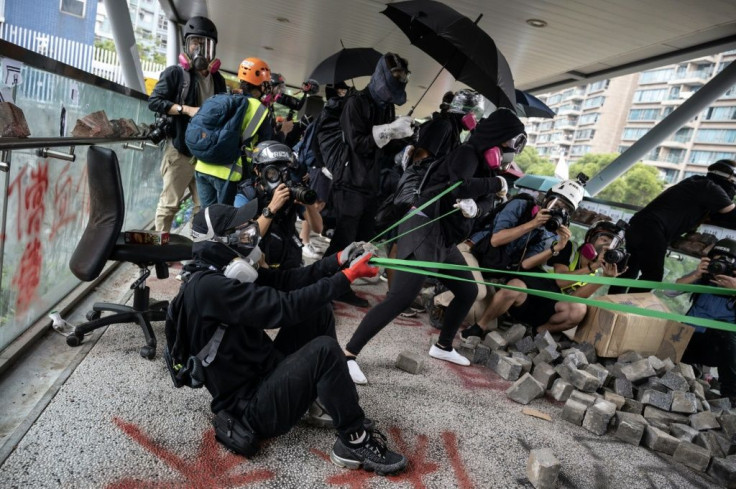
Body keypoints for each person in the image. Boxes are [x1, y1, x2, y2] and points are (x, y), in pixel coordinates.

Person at [165, 202, 407, 474]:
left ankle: (323, 399)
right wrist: (346, 277)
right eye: (237, 229)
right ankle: (354, 441)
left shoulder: (222, 271)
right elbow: (285, 307)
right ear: (217, 240)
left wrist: (337, 260)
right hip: (251, 409)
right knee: (325, 351)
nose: (248, 231)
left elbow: (289, 280)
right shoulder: (209, 288)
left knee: (317, 312)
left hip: (265, 374)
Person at [343, 110, 522, 385]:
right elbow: (458, 187)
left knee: (468, 290)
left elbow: (486, 201)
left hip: (443, 236)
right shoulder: (468, 153)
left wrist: (480, 204)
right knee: (400, 298)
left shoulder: (489, 168)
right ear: (499, 137)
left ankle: (443, 346)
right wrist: (495, 185)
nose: (512, 149)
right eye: (511, 141)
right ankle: (347, 355)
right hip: (424, 226)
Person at [322, 53, 415, 308]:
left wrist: (404, 138)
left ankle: (341, 287)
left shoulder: (386, 106)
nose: (398, 81)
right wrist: (390, 130)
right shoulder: (356, 103)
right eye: (395, 76)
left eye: (401, 77)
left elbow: (383, 148)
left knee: (361, 242)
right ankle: (323, 287)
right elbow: (358, 143)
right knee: (343, 241)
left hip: (370, 185)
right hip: (349, 182)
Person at [461, 176, 587, 337]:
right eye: (556, 203)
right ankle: (440, 298)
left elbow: (526, 264)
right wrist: (532, 224)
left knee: (487, 318)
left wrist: (557, 248)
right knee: (477, 293)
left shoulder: (549, 233)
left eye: (565, 210)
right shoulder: (521, 206)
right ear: (547, 199)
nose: (557, 210)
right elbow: (496, 239)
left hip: (493, 267)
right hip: (473, 252)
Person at [462, 219, 627, 338]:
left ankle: (537, 333)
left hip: (549, 307)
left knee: (579, 310)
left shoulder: (594, 272)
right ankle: (480, 326)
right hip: (534, 288)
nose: (605, 247)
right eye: (604, 240)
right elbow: (559, 280)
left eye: (611, 245)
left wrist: (604, 278)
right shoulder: (570, 248)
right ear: (591, 237)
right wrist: (592, 267)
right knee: (514, 287)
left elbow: (574, 299)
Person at [148, 16, 226, 232]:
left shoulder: (218, 80)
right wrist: (185, 109)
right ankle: (158, 252)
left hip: (206, 154)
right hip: (180, 151)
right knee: (169, 204)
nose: (200, 50)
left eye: (205, 44)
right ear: (187, 45)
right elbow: (154, 102)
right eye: (195, 43)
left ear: (213, 49)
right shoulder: (176, 73)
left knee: (204, 208)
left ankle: (194, 253)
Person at [611, 159, 736, 293]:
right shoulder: (710, 188)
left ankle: (610, 307)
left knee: (628, 271)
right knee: (652, 277)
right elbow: (732, 215)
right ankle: (627, 308)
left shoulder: (697, 182)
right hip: (652, 229)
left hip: (638, 224)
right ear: (729, 178)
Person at [194, 57, 274, 208]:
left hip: (202, 165)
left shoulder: (225, 98)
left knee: (207, 217)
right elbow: (265, 145)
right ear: (260, 84)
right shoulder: (260, 109)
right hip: (227, 172)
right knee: (224, 222)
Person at [236, 140, 319, 269]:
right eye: (272, 172)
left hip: (289, 260)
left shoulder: (289, 192)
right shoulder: (246, 196)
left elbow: (318, 228)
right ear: (257, 170)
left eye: (285, 170)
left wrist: (309, 204)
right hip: (260, 266)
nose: (279, 177)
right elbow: (244, 238)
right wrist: (271, 208)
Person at [676, 238, 736, 403]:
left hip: (719, 348)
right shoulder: (703, 277)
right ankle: (691, 373)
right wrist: (696, 274)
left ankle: (730, 394)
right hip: (687, 340)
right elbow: (668, 292)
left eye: (727, 261)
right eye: (717, 259)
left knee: (726, 333)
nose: (720, 265)